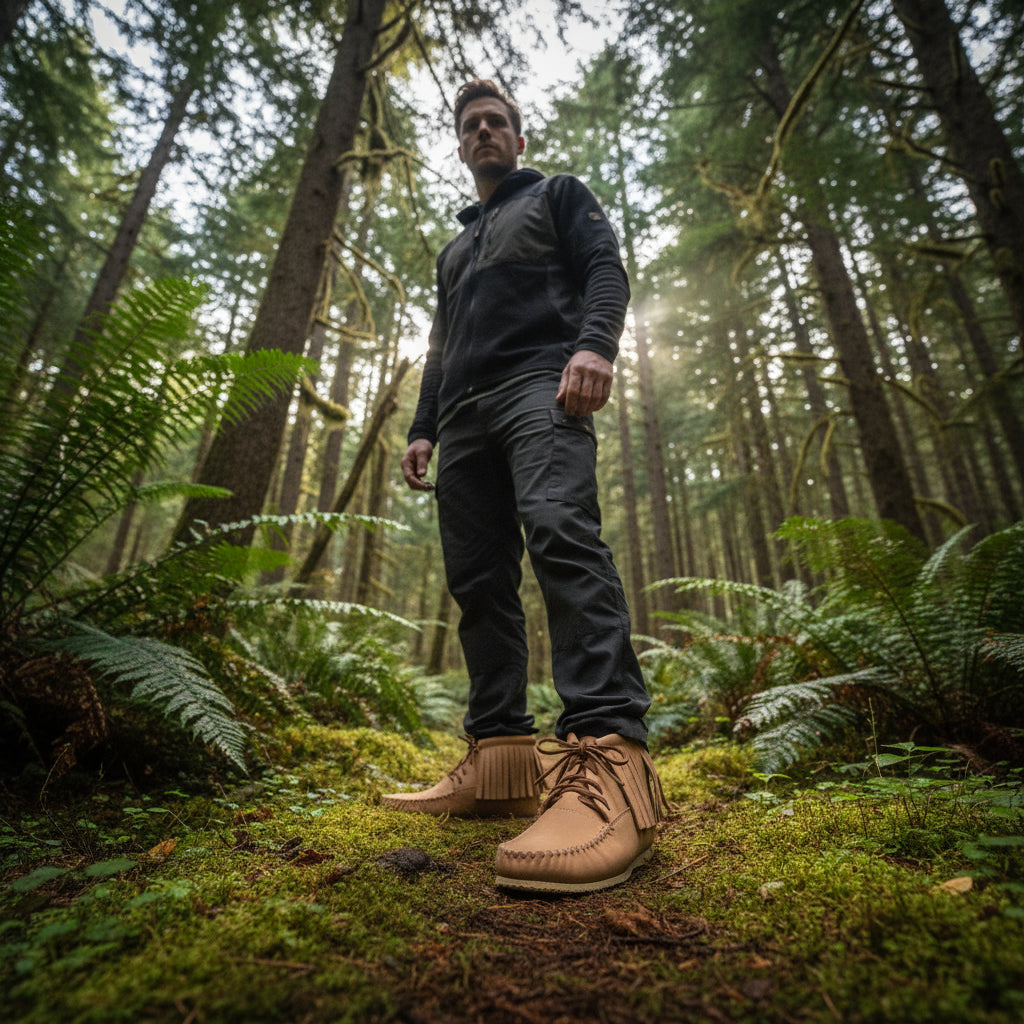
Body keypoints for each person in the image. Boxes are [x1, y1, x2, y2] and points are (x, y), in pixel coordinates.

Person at [383, 79, 664, 893]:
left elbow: (605, 267)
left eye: (497, 121)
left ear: (519, 136)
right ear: (460, 143)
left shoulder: (559, 196)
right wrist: (422, 427)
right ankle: (500, 759)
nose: (483, 132)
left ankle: (612, 762)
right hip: (462, 419)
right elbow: (440, 348)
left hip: (544, 386)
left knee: (560, 534)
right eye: (470, 125)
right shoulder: (454, 250)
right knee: (477, 583)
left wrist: (596, 346)